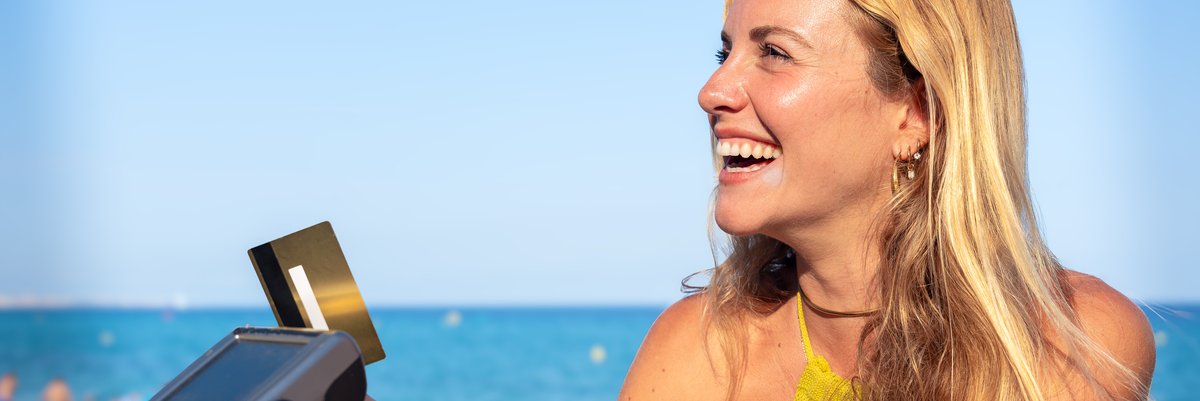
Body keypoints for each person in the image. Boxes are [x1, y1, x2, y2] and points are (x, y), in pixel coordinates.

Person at [618, 0, 1155, 400]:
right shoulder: (693, 354)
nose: (711, 90)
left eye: (775, 53)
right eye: (725, 50)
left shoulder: (1074, 346)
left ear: (916, 113)